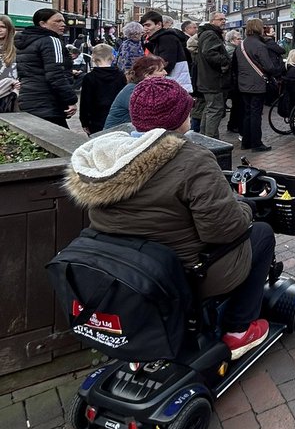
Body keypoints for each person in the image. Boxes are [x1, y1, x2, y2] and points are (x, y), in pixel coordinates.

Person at [66, 77, 273, 358]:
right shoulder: (193, 159)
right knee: (260, 234)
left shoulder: (108, 157)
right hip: (184, 272)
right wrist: (246, 207)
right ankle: (238, 330)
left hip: (128, 266)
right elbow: (223, 231)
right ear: (180, 119)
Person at [14, 9, 78, 127]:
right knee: (63, 142)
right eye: (57, 21)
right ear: (43, 23)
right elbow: (56, 74)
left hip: (28, 99)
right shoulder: (52, 41)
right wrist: (70, 100)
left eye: (63, 21)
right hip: (48, 102)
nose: (63, 24)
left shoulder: (26, 42)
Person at [234, 18, 284, 152]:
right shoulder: (260, 45)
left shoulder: (241, 45)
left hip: (243, 83)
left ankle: (246, 141)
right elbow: (269, 67)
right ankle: (256, 143)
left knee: (247, 113)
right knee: (256, 114)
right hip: (257, 84)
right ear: (259, 28)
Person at [104, 54, 168, 129]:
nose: (165, 73)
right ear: (147, 75)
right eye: (161, 70)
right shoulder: (132, 91)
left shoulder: (146, 89)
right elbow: (152, 116)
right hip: (115, 136)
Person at [194, 12, 232, 139]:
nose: (223, 21)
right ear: (212, 21)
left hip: (207, 79)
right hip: (213, 80)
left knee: (209, 109)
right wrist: (225, 61)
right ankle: (211, 140)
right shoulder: (211, 34)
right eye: (220, 19)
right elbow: (210, 53)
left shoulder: (206, 34)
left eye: (224, 19)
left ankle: (205, 137)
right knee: (215, 110)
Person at [78, 43, 127, 134]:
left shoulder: (89, 78)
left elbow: (85, 102)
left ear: (93, 58)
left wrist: (84, 122)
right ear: (112, 57)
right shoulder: (120, 75)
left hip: (96, 119)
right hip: (117, 118)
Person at [142, 10, 193, 92]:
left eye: (148, 25)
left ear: (158, 25)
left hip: (174, 85)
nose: (145, 29)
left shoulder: (166, 39)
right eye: (143, 26)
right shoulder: (159, 39)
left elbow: (166, 64)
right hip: (174, 83)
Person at [224, 29, 244, 133]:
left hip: (232, 81)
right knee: (237, 104)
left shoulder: (231, 49)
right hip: (233, 82)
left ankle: (232, 124)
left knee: (236, 104)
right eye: (238, 39)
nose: (240, 40)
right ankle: (234, 125)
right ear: (232, 40)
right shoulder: (232, 50)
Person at [0, 13, 20, 113]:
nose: (0, 29)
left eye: (3, 27)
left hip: (11, 95)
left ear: (9, 29)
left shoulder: (17, 49)